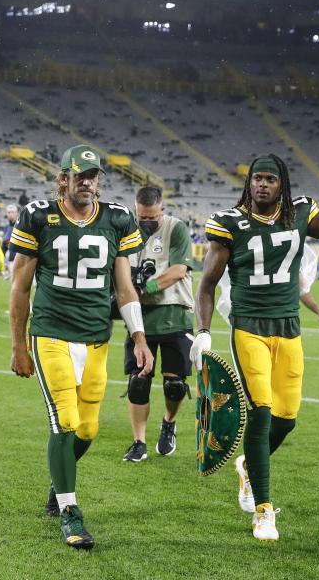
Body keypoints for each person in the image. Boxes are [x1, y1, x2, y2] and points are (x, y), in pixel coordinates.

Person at [193, 132, 319, 542]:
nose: (262, 184)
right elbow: (206, 284)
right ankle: (264, 510)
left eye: (270, 179)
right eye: (257, 178)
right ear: (249, 182)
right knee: (260, 413)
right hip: (249, 327)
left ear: (282, 184)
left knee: (286, 421)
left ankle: (248, 469)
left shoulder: (301, 213)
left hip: (289, 328)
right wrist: (202, 332)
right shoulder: (229, 223)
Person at [8, 144, 154, 550]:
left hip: (96, 338)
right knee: (65, 423)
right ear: (63, 179)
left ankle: (60, 483)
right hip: (52, 333)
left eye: (94, 176)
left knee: (88, 430)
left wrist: (139, 337)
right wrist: (18, 345)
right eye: (80, 175)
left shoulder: (117, 218)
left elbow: (124, 288)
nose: (88, 183)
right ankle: (70, 512)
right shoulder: (40, 216)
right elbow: (20, 286)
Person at [121, 186, 194, 463]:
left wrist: (146, 286)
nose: (147, 221)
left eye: (152, 216)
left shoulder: (176, 229)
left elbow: (178, 270)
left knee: (174, 385)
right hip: (140, 318)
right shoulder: (128, 231)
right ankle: (139, 442)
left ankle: (168, 423)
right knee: (138, 382)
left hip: (175, 313)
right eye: (142, 216)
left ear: (161, 209)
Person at [0, 204, 19, 278]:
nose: (11, 214)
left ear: (17, 213)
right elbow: (4, 245)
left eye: (13, 212)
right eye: (9, 212)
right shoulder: (6, 228)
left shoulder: (22, 225)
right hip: (11, 260)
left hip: (22, 260)